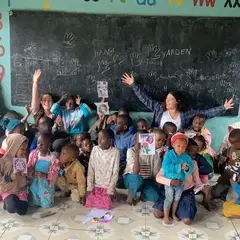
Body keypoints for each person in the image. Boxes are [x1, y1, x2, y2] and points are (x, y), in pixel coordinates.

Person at [121, 73, 234, 130]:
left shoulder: (186, 113)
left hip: (177, 144)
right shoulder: (159, 108)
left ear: (177, 101)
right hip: (159, 141)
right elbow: (144, 99)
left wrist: (223, 107)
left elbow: (205, 113)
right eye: (167, 99)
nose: (167, 101)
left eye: (170, 99)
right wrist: (133, 84)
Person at [124, 130, 164, 205]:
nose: (142, 143)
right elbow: (135, 171)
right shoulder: (131, 151)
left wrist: (155, 188)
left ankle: (143, 194)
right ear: (135, 141)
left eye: (145, 139)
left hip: (146, 180)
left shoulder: (154, 154)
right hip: (132, 178)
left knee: (155, 196)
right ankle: (131, 191)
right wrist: (137, 154)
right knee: (137, 178)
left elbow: (155, 174)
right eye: (140, 140)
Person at [161, 133, 193, 225]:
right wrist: (179, 167)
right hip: (170, 182)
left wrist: (187, 169)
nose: (181, 148)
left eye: (183, 146)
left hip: (181, 183)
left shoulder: (186, 157)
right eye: (178, 146)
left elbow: (191, 169)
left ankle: (173, 214)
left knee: (176, 199)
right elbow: (166, 167)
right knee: (169, 198)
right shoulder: (169, 155)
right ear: (173, 145)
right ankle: (166, 216)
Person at [85, 129, 120, 209]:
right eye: (98, 138)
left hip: (107, 188)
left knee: (106, 205)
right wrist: (89, 188)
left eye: (102, 138)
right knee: (89, 202)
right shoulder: (95, 150)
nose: (99, 141)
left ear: (110, 141)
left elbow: (115, 174)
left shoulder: (115, 152)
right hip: (96, 186)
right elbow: (91, 170)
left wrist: (110, 191)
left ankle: (111, 195)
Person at [28, 133, 59, 208]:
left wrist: (45, 175)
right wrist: (31, 171)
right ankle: (35, 202)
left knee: (46, 202)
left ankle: (44, 202)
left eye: (43, 144)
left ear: (49, 145)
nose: (40, 145)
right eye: (38, 143)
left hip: (46, 181)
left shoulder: (52, 158)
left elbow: (54, 173)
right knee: (34, 190)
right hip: (35, 180)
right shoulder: (33, 154)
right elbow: (29, 165)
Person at [0, 134, 28, 215]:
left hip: (20, 190)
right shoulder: (2, 161)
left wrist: (29, 172)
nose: (24, 152)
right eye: (22, 149)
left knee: (23, 211)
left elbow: (25, 177)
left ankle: (11, 202)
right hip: (8, 190)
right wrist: (10, 177)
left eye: (25, 149)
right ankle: (8, 202)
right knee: (12, 208)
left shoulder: (22, 159)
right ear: (13, 147)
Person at [211, 129, 240, 200]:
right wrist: (219, 158)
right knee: (214, 193)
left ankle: (227, 193)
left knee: (233, 199)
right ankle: (225, 192)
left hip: (236, 182)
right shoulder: (231, 148)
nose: (232, 145)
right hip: (226, 177)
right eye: (231, 143)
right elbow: (223, 156)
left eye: (234, 143)